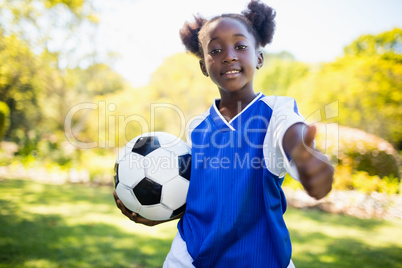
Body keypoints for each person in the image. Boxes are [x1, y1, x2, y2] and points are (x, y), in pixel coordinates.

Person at [113, 1, 334, 267]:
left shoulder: (276, 111)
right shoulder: (198, 127)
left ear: (259, 57)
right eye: (215, 50)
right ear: (204, 66)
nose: (228, 56)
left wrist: (305, 157)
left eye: (240, 46)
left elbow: (291, 134)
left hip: (263, 258)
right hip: (189, 257)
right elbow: (200, 193)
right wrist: (158, 213)